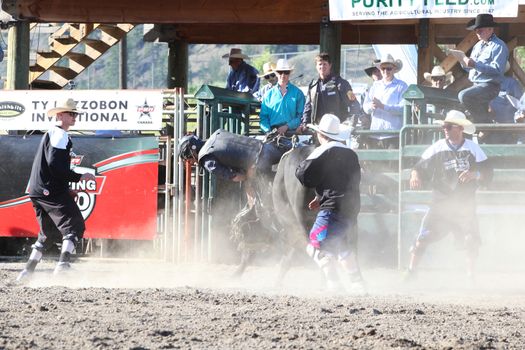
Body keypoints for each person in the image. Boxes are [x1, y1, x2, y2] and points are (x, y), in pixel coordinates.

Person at [406, 110, 492, 281]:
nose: (445, 129)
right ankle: (411, 271)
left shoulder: (473, 148)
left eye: (448, 126)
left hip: (464, 203)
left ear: (460, 128)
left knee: (470, 240)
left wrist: (474, 174)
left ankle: (470, 277)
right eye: (444, 126)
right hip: (441, 203)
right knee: (423, 238)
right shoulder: (437, 147)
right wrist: (414, 175)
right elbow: (419, 166)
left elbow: (488, 172)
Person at [17, 98, 96, 281]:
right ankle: (63, 265)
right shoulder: (60, 135)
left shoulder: (52, 134)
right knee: (74, 224)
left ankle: (27, 271)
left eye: (75, 113)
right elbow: (55, 165)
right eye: (71, 113)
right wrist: (78, 177)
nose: (74, 116)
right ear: (60, 115)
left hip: (38, 190)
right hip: (48, 190)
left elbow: (51, 165)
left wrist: (66, 188)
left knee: (48, 233)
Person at [295, 114, 364, 292]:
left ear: (321, 134)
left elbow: (304, 176)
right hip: (351, 207)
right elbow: (345, 180)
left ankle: (334, 283)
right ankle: (357, 284)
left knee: (315, 245)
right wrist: (320, 198)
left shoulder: (322, 151)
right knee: (340, 244)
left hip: (332, 208)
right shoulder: (349, 153)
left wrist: (324, 199)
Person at [458, 13, 509, 124]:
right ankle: (483, 126)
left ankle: (485, 124)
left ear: (490, 29)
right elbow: (472, 68)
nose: (477, 32)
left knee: (463, 96)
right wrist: (465, 63)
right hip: (478, 86)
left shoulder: (499, 46)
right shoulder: (477, 46)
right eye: (476, 30)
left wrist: (474, 64)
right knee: (460, 101)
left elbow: (497, 70)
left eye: (480, 30)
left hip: (489, 87)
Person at [178, 129, 282, 182]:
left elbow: (234, 176)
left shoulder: (206, 160)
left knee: (266, 203)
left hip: (259, 164)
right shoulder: (216, 134)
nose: (191, 162)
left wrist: (247, 177)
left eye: (189, 159)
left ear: (192, 151)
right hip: (267, 147)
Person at [299, 52, 361, 131]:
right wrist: (305, 124)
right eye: (320, 64)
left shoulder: (340, 83)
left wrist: (350, 124)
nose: (322, 66)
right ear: (316, 66)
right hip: (318, 130)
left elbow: (354, 104)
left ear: (330, 65)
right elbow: (308, 108)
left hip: (337, 131)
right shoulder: (313, 86)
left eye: (325, 64)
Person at [362, 54, 408, 148]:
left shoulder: (402, 86)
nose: (385, 71)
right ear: (380, 70)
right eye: (383, 69)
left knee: (392, 163)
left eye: (389, 68)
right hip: (375, 134)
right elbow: (365, 107)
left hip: (393, 135)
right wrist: (371, 106)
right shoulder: (375, 86)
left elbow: (403, 109)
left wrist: (382, 106)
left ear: (394, 69)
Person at [259, 58, 305, 135]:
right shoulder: (268, 95)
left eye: (286, 72)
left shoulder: (298, 93)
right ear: (276, 73)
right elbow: (263, 118)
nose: (283, 75)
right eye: (280, 72)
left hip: (292, 134)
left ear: (289, 73)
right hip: (272, 134)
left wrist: (287, 126)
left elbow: (301, 116)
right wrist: (268, 132)